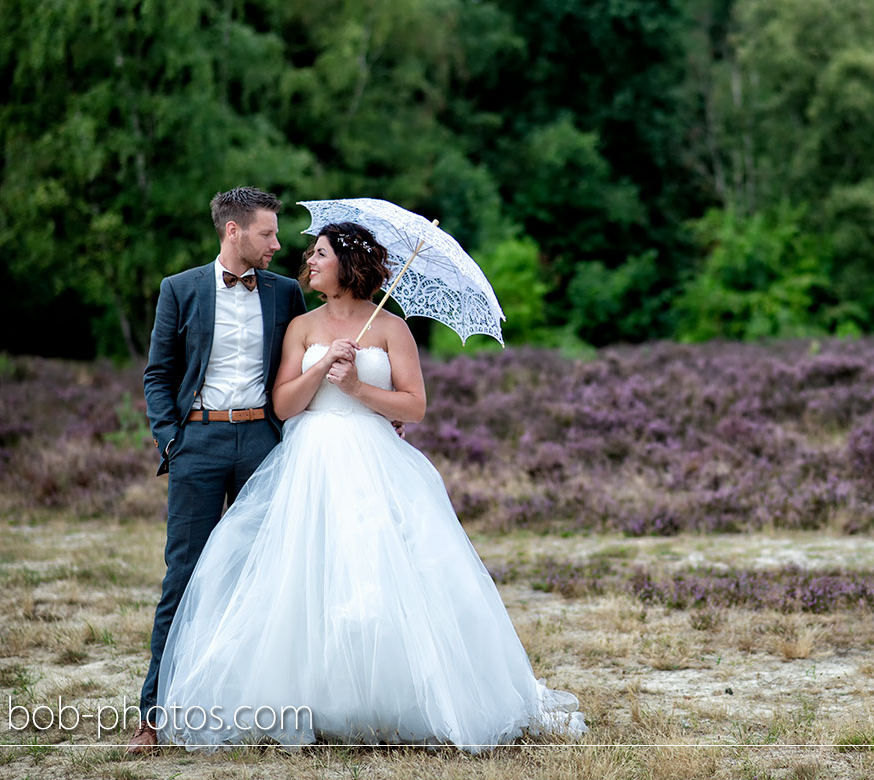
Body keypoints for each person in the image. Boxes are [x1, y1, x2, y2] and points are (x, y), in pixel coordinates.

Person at [152, 222, 586, 751]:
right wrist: (324, 369)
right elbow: (283, 404)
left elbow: (415, 406)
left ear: (348, 265)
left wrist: (357, 387)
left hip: (374, 458)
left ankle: (388, 697)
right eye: (309, 253)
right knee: (302, 577)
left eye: (320, 254)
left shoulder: (391, 329)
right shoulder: (302, 326)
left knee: (378, 575)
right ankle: (308, 698)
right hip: (309, 460)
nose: (308, 261)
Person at [132, 187, 308, 753]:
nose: (278, 244)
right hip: (199, 442)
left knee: (266, 576)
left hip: (263, 440)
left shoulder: (286, 294)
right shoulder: (179, 289)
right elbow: (158, 374)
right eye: (267, 233)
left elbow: (304, 365)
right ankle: (154, 717)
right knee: (182, 577)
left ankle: (261, 710)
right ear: (233, 231)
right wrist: (172, 441)